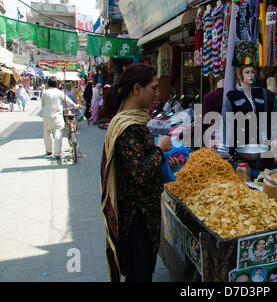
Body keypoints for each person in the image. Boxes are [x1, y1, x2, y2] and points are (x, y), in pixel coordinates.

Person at [100, 63, 184, 282]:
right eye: (153, 88)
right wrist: (160, 149)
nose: (158, 93)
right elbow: (141, 173)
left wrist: (165, 161)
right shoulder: (128, 127)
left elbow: (141, 162)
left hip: (142, 212)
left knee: (143, 271)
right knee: (140, 274)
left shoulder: (135, 121)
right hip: (137, 216)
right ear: (136, 89)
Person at [224, 65, 267, 154]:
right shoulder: (232, 95)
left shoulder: (260, 92)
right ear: (240, 76)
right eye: (247, 72)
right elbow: (227, 122)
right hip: (240, 141)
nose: (251, 75)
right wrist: (226, 147)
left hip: (258, 140)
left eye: (252, 72)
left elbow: (265, 117)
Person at [40, 78, 80, 159]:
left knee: (47, 132)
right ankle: (57, 153)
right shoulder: (59, 92)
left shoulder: (45, 93)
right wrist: (75, 106)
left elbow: (42, 104)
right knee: (58, 132)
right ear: (56, 84)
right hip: (57, 116)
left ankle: (49, 150)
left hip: (47, 116)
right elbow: (68, 101)